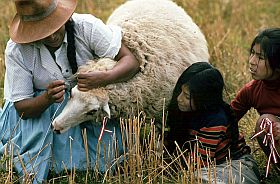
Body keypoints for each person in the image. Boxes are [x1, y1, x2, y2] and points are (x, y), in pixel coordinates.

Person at [0, 0, 139, 183]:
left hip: (83, 105)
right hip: (38, 112)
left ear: (62, 18)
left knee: (106, 156)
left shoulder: (86, 28)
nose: (50, 36)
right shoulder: (17, 50)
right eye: (42, 31)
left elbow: (131, 61)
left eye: (53, 26)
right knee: (44, 160)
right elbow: (23, 109)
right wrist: (46, 98)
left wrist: (105, 77)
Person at [165, 62, 260, 183]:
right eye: (181, 91)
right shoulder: (187, 110)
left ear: (203, 99)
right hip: (209, 166)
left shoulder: (215, 120)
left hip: (235, 167)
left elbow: (199, 163)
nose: (179, 98)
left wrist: (170, 168)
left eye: (187, 96)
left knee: (198, 178)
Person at [231, 28, 280, 172]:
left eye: (260, 57)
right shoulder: (252, 90)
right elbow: (228, 117)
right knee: (265, 123)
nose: (252, 61)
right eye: (252, 53)